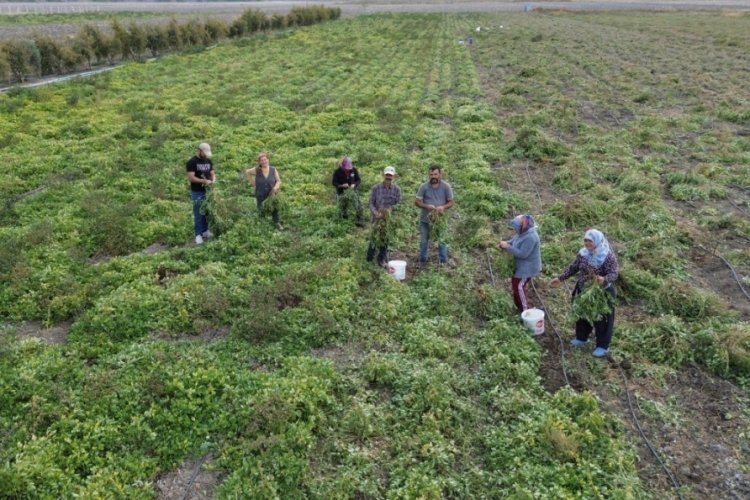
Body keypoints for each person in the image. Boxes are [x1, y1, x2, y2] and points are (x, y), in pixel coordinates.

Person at [550, 229, 619, 358]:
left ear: (597, 241)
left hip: (601, 292)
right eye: (585, 240)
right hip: (584, 288)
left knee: (602, 318)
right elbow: (574, 267)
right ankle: (582, 337)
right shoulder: (583, 254)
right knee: (581, 313)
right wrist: (560, 278)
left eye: (590, 241)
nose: (587, 243)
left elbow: (614, 273)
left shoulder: (607, 255)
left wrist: (604, 279)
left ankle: (602, 346)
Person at [498, 214, 541, 313]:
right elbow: (514, 240)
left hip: (527, 268)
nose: (515, 230)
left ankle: (525, 311)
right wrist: (505, 243)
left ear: (522, 226)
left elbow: (522, 254)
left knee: (519, 287)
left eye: (516, 228)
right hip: (521, 266)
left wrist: (508, 247)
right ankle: (518, 306)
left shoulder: (531, 237)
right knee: (515, 284)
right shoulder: (522, 233)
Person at [415, 164, 454, 265]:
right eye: (431, 174)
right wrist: (426, 206)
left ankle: (443, 260)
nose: (433, 176)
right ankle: (423, 260)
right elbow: (417, 202)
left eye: (435, 174)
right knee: (423, 241)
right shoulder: (424, 187)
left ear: (440, 174)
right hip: (425, 219)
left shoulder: (446, 186)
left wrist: (443, 207)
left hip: (440, 219)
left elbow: (451, 202)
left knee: (442, 240)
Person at [366, 166, 401, 266]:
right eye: (387, 175)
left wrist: (390, 210)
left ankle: (381, 260)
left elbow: (399, 204)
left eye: (390, 175)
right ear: (383, 175)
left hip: (388, 220)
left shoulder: (396, 190)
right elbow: (371, 203)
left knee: (385, 240)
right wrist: (376, 213)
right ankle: (369, 259)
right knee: (374, 238)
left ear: (394, 177)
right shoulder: (376, 188)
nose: (388, 177)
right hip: (376, 219)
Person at [186, 142, 216, 245]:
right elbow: (191, 177)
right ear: (200, 150)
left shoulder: (208, 161)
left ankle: (205, 231)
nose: (206, 155)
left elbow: (212, 173)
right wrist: (204, 181)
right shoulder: (192, 162)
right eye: (205, 153)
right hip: (197, 191)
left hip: (208, 191)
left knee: (206, 211)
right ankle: (198, 235)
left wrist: (213, 180)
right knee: (198, 212)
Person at [245, 152, 282, 229]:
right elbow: (247, 172)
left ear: (268, 160)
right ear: (259, 162)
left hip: (271, 193)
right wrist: (253, 184)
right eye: (262, 160)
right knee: (260, 208)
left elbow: (278, 181)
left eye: (265, 159)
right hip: (260, 193)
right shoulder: (257, 170)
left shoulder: (273, 169)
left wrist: (276, 187)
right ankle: (262, 224)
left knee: (274, 208)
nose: (264, 161)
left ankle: (277, 222)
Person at [332, 156, 363, 224]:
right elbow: (334, 182)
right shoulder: (337, 172)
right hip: (341, 192)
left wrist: (354, 184)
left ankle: (359, 220)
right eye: (346, 169)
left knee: (358, 205)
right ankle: (344, 221)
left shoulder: (354, 170)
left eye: (349, 169)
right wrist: (341, 185)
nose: (348, 170)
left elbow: (358, 180)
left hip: (352, 191)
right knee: (342, 207)